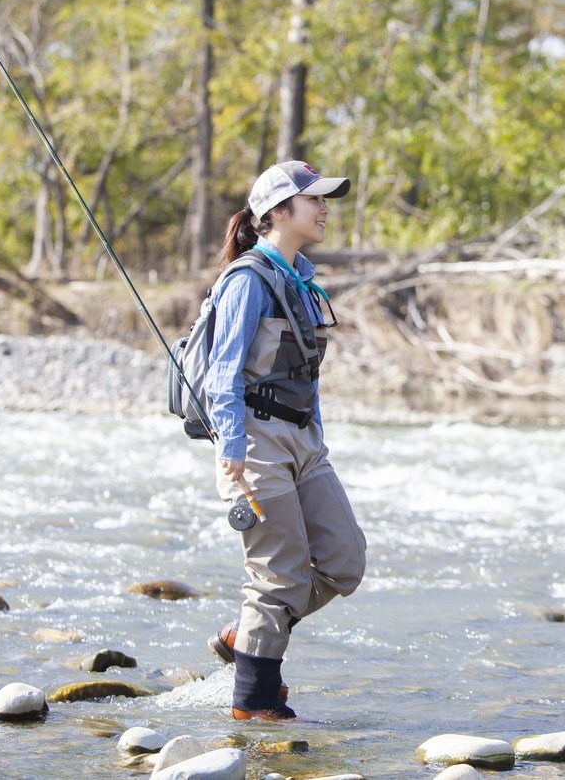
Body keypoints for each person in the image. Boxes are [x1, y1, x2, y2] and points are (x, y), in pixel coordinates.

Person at [204, 160, 367, 721]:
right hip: (254, 443)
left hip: (304, 443)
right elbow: (221, 373)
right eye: (313, 200)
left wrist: (316, 437)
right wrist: (230, 448)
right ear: (275, 212)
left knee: (345, 560)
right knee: (278, 576)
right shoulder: (247, 281)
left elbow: (306, 374)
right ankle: (253, 702)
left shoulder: (302, 280)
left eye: (325, 200)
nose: (324, 209)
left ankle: (247, 638)